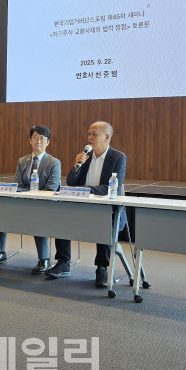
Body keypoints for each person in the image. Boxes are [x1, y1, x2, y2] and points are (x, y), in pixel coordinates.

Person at [45, 121, 128, 288]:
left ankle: (102, 268)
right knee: (62, 214)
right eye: (89, 133)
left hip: (107, 209)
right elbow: (71, 182)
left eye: (94, 134)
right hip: (82, 206)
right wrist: (76, 167)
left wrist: (83, 189)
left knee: (105, 220)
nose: (90, 137)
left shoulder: (118, 158)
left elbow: (111, 188)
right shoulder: (86, 156)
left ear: (106, 137)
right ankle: (63, 262)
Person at [0, 125, 61, 273]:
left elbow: (51, 189)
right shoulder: (22, 161)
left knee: (38, 216)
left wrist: (32, 198)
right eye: (35, 138)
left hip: (43, 205)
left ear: (48, 142)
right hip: (22, 202)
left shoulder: (54, 162)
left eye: (42, 139)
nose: (38, 141)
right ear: (30, 140)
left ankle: (44, 259)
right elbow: (18, 185)